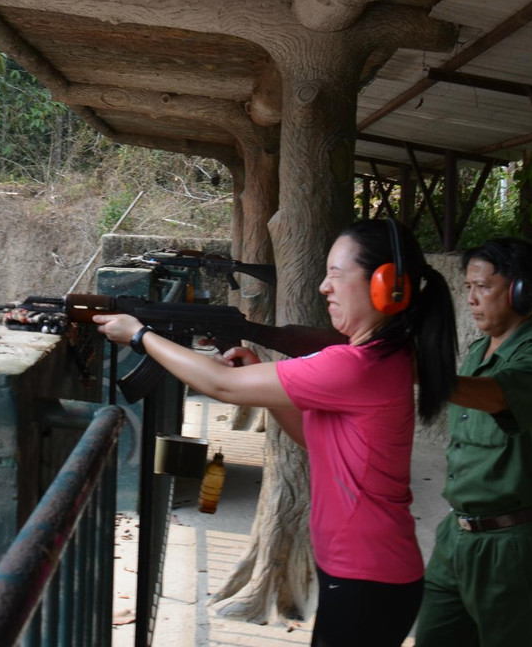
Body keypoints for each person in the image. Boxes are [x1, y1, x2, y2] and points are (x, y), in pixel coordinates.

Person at [94, 219, 458, 647]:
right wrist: (266, 390)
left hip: (367, 574)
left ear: (385, 284)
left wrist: (139, 335)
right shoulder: (382, 358)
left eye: (336, 274)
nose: (325, 287)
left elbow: (220, 385)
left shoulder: (356, 365)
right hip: (366, 571)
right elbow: (313, 437)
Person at [415, 237, 532, 647]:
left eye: (483, 287)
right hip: (456, 534)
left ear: (521, 291)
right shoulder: (475, 354)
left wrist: (419, 371)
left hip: (511, 545)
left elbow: (497, 396)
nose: (471, 298)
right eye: (467, 287)